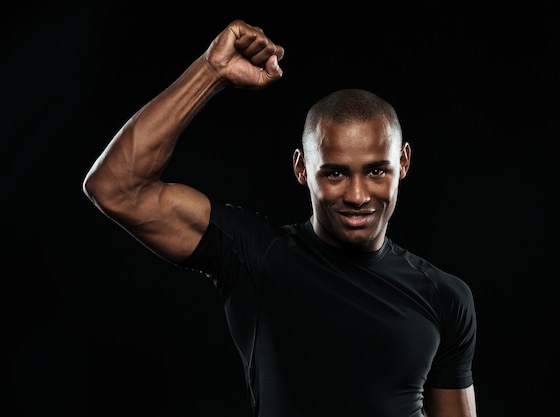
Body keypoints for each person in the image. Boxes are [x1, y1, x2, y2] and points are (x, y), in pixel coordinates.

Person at [83, 18, 478, 417]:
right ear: (302, 168)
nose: (358, 196)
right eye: (335, 173)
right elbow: (116, 188)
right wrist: (211, 72)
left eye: (377, 171)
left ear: (403, 162)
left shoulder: (445, 296)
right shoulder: (254, 255)